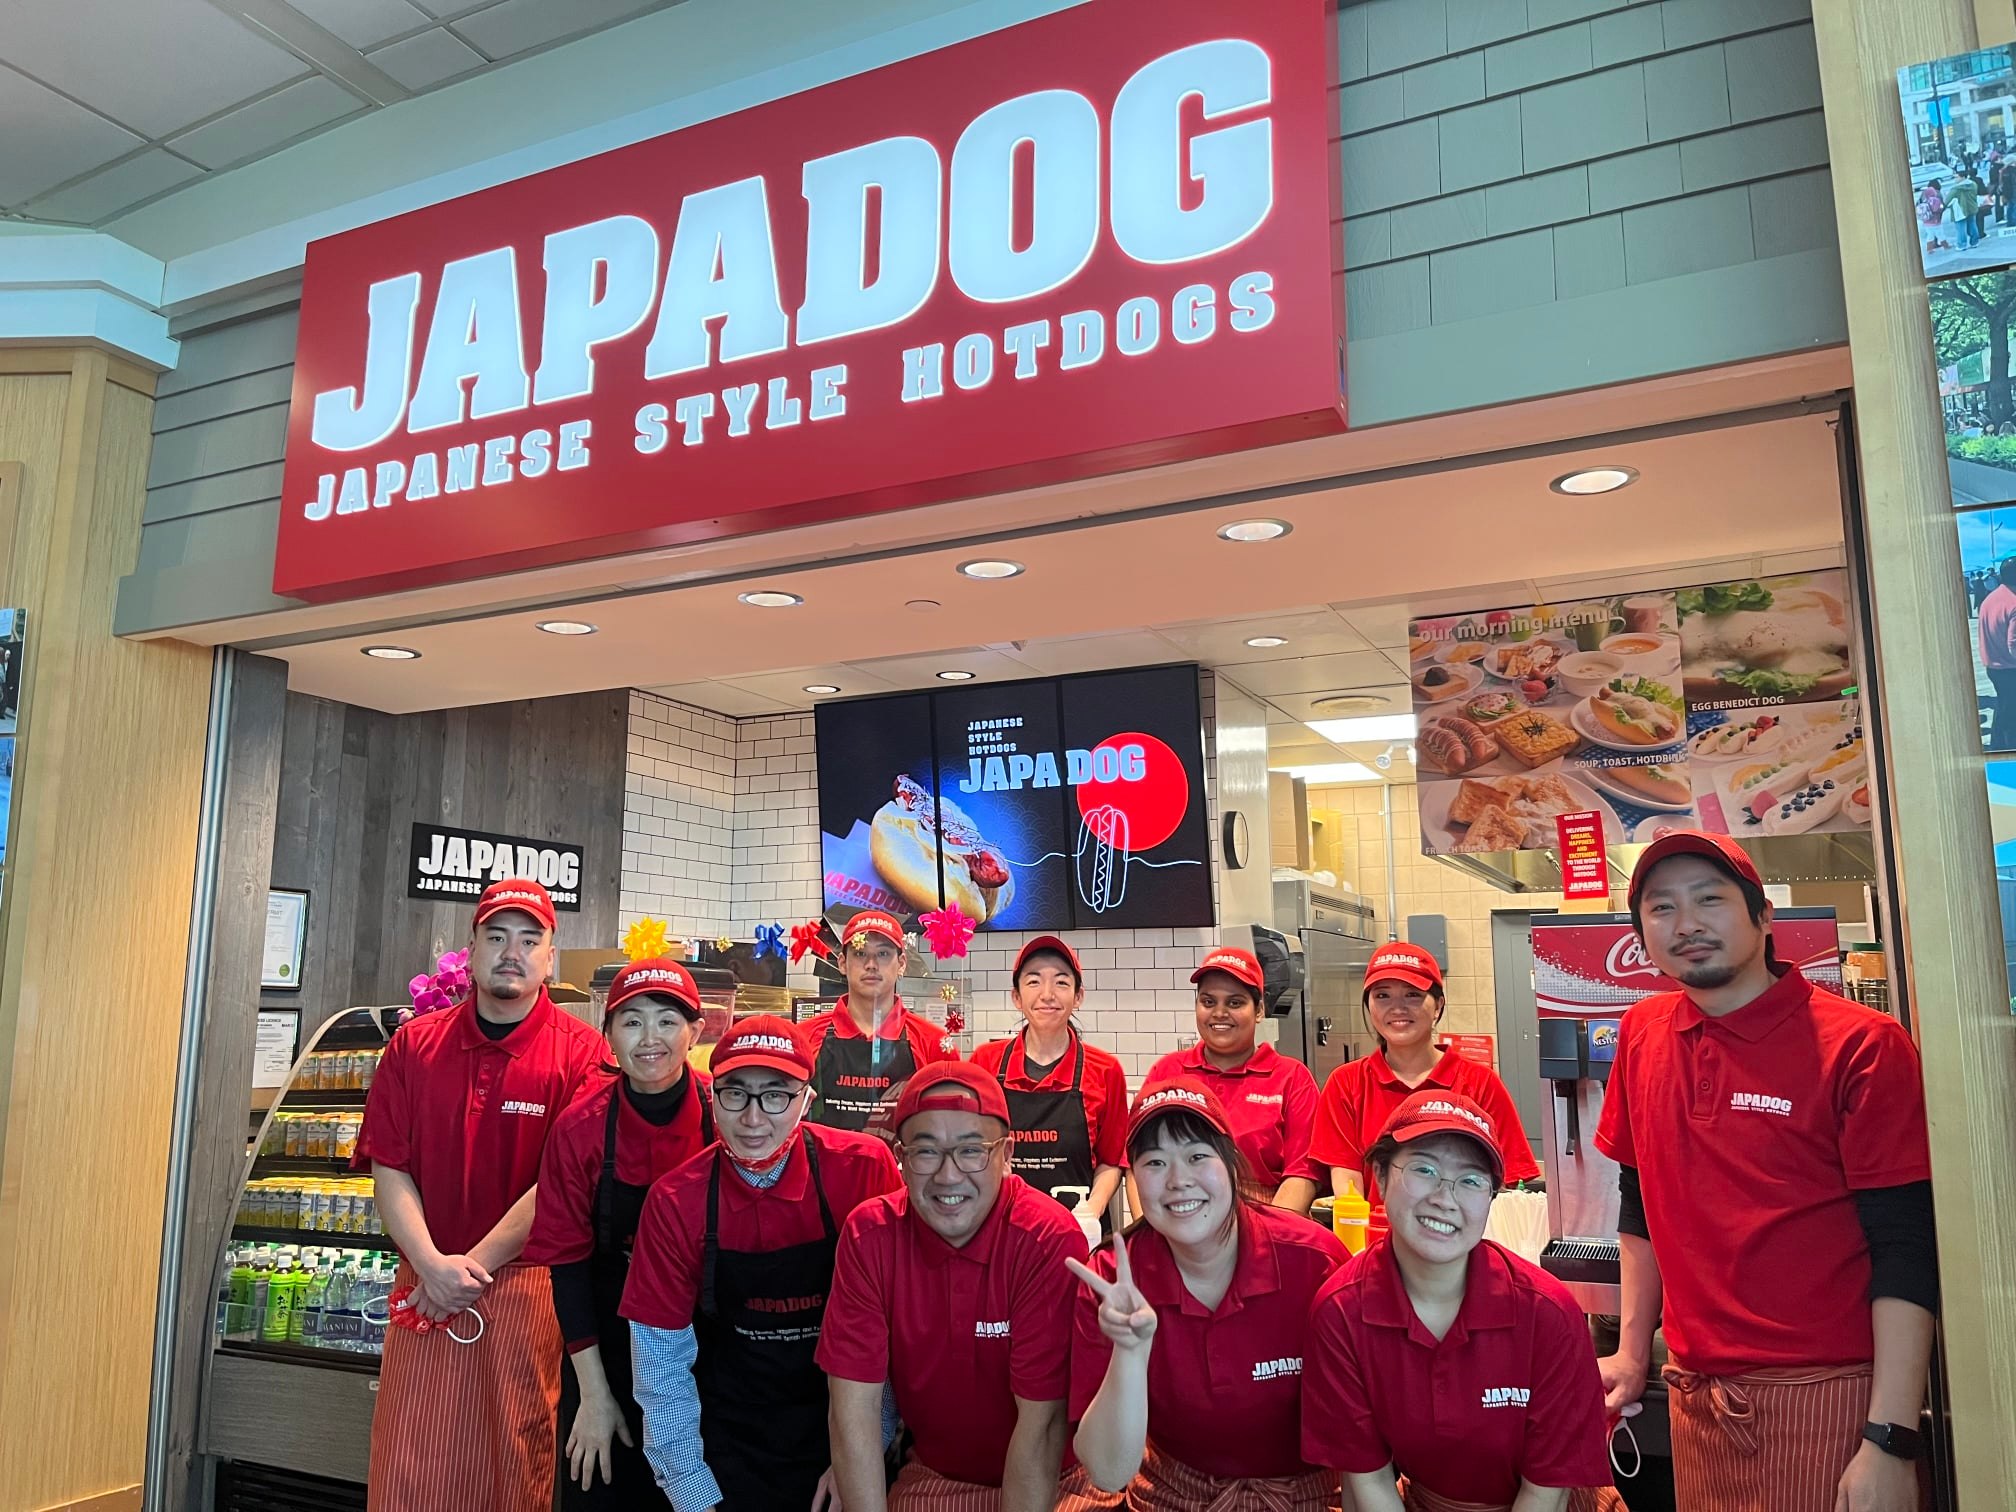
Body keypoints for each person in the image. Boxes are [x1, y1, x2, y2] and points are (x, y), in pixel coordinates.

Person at [1595, 831, 1936, 1512]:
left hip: (1832, 1396)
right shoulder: (1641, 1033)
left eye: (1709, 900)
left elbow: (1907, 1245)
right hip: (1696, 1395)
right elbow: (1639, 1201)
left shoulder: (1862, 1044)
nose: (1686, 925)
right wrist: (1633, 1353)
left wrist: (1890, 1440)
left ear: (1764, 916)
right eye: (1661, 908)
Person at [352, 878, 606, 1511]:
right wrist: (433, 1267)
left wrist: (468, 1270)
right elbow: (389, 1167)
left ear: (550, 956)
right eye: (496, 937)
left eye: (529, 940)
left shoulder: (583, 1054)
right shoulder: (414, 1045)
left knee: (512, 1466)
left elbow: (562, 1184)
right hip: (421, 1283)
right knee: (407, 1469)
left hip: (524, 1291)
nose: (511, 953)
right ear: (471, 949)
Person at [623, 1015, 901, 1512]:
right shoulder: (675, 1200)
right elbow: (660, 1365)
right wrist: (691, 1492)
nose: (753, 1119)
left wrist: (861, 1459)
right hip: (729, 1440)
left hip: (841, 1425)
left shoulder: (861, 1169)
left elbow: (889, 1334)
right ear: (713, 1097)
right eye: (736, 1094)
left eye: (775, 1095)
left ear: (806, 1101)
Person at [1302, 1091, 1619, 1512]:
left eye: (1470, 1181)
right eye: (1424, 1169)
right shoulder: (1342, 1311)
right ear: (1380, 1175)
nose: (1444, 1198)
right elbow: (1369, 1479)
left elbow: (1547, 1492)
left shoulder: (1548, 1313)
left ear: (1491, 1198)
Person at [819, 1061, 1088, 1511]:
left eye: (971, 1150)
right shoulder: (870, 1237)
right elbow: (853, 1412)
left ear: (1007, 1154)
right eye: (926, 1152)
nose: (948, 1176)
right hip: (937, 1477)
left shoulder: (1046, 1239)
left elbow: (1042, 1429)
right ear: (901, 1157)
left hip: (1060, 1480)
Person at [1069, 1078, 1345, 1508]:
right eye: (1155, 1162)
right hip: (1175, 1494)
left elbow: (1364, 1435)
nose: (1178, 1180)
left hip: (1307, 1495)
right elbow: (1108, 1472)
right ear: (1133, 1179)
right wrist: (1130, 1351)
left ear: (1231, 1163)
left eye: (1197, 1156)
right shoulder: (1113, 1281)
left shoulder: (1314, 1261)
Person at [522, 959, 716, 1509]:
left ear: (696, 1031)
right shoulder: (578, 1128)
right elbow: (567, 1268)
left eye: (667, 1021)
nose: (649, 1038)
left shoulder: (725, 1115)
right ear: (607, 1036)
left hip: (707, 1348)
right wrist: (593, 1396)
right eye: (631, 1022)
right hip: (606, 1349)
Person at [1309, 943, 1539, 1242]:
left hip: (1458, 1246)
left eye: (1413, 995)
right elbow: (1348, 1189)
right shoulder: (1346, 1083)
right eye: (1382, 996)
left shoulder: (1479, 1083)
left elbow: (1508, 1185)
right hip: (1377, 1245)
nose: (1397, 1008)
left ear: (1438, 1005)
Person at [1144, 946, 1321, 1211]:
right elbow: (1139, 1162)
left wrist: (1268, 1231)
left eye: (1235, 1003)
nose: (1219, 1013)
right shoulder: (1167, 1072)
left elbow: (1302, 1173)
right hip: (1178, 1220)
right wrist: (1155, 1225)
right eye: (1208, 1002)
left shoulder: (1292, 1078)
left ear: (1259, 1010)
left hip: (1266, 1220)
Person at [970, 936, 1129, 1227]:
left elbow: (1112, 1159)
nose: (1047, 994)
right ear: (1016, 997)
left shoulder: (1106, 1070)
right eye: (1033, 982)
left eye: (1061, 982)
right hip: (1001, 1228)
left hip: (1078, 1228)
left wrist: (1091, 1211)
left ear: (1078, 997)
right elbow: (971, 1148)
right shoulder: (985, 1063)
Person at [803, 909, 960, 1132]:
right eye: (860, 953)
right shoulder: (803, 1037)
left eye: (883, 953)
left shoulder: (934, 1043)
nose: (871, 964)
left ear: (902, 964)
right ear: (842, 963)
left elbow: (949, 1128)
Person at [1979, 558, 2016, 749]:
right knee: (2012, 719)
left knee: (2003, 710)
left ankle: (1997, 746)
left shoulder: (1991, 598)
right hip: (2010, 668)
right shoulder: (2014, 602)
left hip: (1993, 666)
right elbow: (2014, 644)